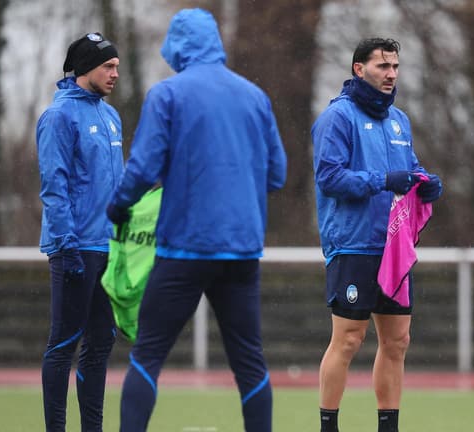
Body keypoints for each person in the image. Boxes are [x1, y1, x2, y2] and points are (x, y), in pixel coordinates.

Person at [106, 8, 286, 432]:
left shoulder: (168, 95)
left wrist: (119, 206)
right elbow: (276, 173)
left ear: (178, 47)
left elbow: (144, 166)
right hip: (241, 249)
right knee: (249, 362)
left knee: (148, 354)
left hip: (184, 248)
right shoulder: (255, 96)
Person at [312, 38, 443, 432]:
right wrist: (382, 181)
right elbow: (329, 178)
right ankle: (328, 426)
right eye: (383, 66)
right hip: (353, 244)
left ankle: (388, 427)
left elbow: (409, 170)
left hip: (393, 247)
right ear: (359, 69)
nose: (391, 74)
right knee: (349, 339)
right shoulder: (338, 118)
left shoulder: (400, 120)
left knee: (398, 341)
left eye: (395, 67)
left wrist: (425, 183)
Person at [36, 32, 122, 432]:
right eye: (108, 66)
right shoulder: (58, 117)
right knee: (63, 344)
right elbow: (54, 185)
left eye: (118, 66)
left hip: (108, 248)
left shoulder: (110, 116)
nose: (115, 73)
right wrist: (65, 244)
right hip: (75, 247)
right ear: (86, 67)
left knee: (102, 343)